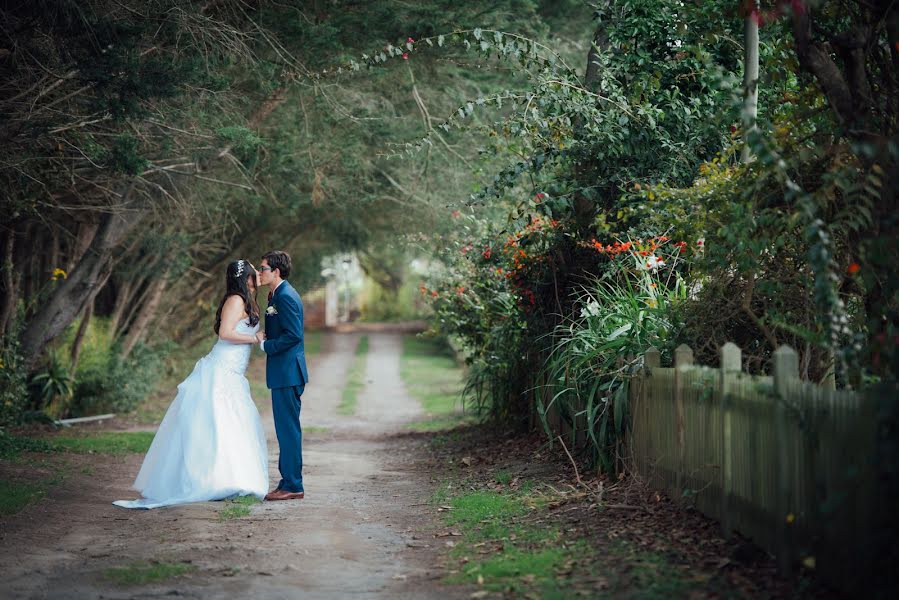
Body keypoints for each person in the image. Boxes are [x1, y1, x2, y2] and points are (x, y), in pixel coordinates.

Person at [113, 260, 268, 509]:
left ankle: (229, 478)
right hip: (221, 369)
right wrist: (254, 338)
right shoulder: (236, 300)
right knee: (217, 424)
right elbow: (225, 334)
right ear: (246, 277)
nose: (258, 274)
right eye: (254, 271)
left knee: (231, 424)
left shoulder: (248, 299)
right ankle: (212, 480)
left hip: (235, 372)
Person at [255, 250, 309, 501]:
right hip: (283, 373)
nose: (259, 272)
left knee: (288, 431)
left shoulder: (286, 296)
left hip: (288, 373)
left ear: (276, 272)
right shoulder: (276, 294)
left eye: (263, 268)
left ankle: (293, 485)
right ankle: (288, 481)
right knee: (285, 430)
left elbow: (294, 335)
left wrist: (267, 346)